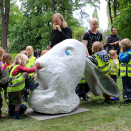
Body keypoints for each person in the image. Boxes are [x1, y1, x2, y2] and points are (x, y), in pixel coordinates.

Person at [6, 54, 40, 119]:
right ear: (22, 61)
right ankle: (16, 116)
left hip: (11, 88)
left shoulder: (14, 67)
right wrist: (35, 67)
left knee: (16, 102)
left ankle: (13, 113)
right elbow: (28, 70)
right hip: (16, 88)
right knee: (18, 102)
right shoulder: (19, 67)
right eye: (26, 61)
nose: (26, 63)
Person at [119, 38, 131, 105]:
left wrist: (121, 53)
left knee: (126, 86)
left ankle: (127, 98)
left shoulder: (127, 54)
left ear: (123, 47)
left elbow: (122, 59)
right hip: (129, 73)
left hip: (127, 73)